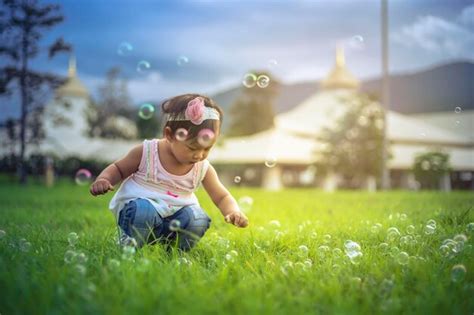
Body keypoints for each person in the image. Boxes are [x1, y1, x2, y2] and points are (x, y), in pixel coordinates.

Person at [90, 94, 249, 251]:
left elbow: (221, 196)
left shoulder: (202, 167)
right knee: (143, 211)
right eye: (192, 148)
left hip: (177, 218)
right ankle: (130, 243)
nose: (199, 155)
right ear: (170, 135)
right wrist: (104, 179)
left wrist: (233, 211)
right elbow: (118, 168)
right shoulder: (148, 152)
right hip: (142, 212)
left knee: (198, 219)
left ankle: (174, 252)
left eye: (207, 148)